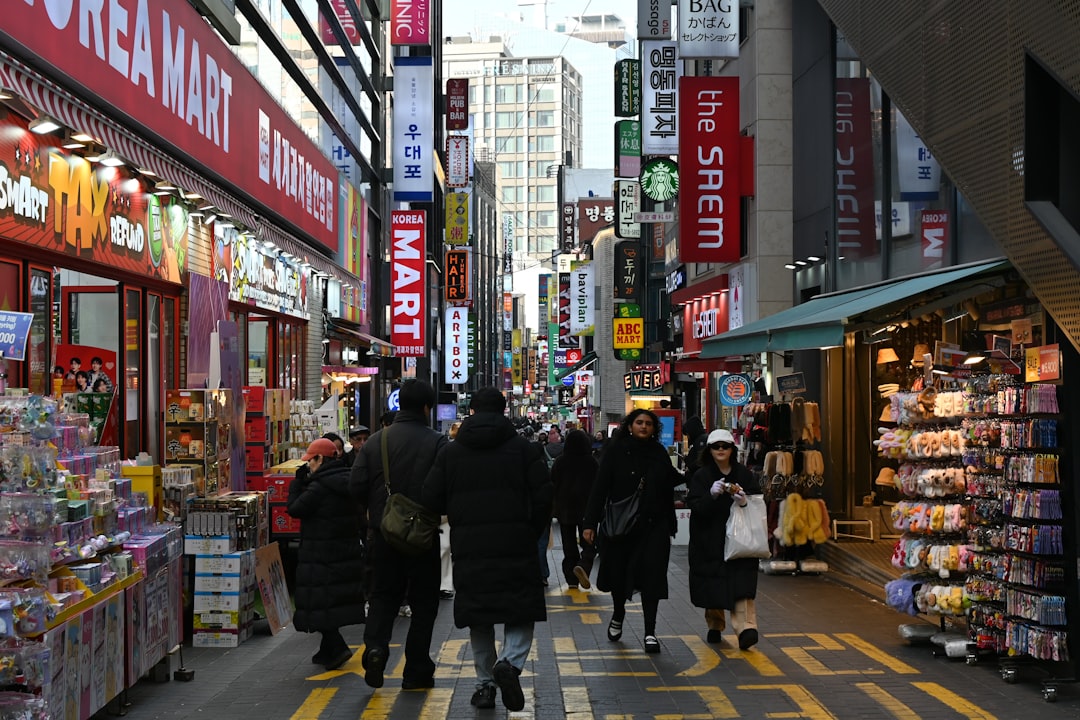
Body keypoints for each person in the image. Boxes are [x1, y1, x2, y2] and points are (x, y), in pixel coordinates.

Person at [422, 387, 552, 711]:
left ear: (472, 411)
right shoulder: (524, 449)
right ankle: (509, 662)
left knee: (479, 615)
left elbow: (431, 499)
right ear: (504, 409)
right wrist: (529, 531)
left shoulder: (451, 453)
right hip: (516, 543)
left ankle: (484, 687)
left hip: (470, 546)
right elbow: (543, 498)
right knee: (520, 610)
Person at [351, 380, 447, 691]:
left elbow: (356, 487)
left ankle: (376, 648)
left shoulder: (375, 442)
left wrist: (374, 514)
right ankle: (416, 668)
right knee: (424, 603)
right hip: (422, 536)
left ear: (398, 405)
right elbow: (448, 489)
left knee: (382, 596)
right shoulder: (438, 443)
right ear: (426, 408)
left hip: (384, 535)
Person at [582, 408, 683, 654]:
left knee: (653, 577)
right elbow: (600, 488)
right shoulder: (615, 451)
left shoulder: (658, 452)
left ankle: (650, 632)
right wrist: (589, 523)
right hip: (621, 527)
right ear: (629, 425)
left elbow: (671, 480)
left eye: (648, 423)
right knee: (619, 574)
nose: (644, 427)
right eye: (639, 422)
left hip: (654, 525)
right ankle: (618, 614)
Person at [285, 437, 366, 670]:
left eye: (311, 460)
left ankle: (337, 646)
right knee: (327, 602)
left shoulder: (320, 487)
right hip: (343, 551)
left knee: (318, 602)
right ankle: (327, 650)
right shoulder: (346, 481)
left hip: (320, 552)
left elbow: (295, 509)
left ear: (321, 459)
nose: (309, 465)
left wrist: (295, 486)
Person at [686, 428, 761, 650]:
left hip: (741, 538)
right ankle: (715, 624)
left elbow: (757, 501)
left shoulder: (744, 475)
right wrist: (711, 495)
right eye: (716, 446)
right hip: (710, 539)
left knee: (742, 582)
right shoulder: (702, 476)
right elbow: (696, 506)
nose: (721, 450)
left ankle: (746, 628)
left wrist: (744, 501)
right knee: (713, 583)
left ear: (732, 449)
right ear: (709, 450)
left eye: (725, 446)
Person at [551, 429, 598, 590]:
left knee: (568, 544)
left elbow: (553, 484)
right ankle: (583, 565)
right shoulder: (591, 462)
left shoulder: (560, 461)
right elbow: (598, 487)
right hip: (587, 509)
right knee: (589, 542)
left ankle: (571, 579)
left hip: (565, 508)